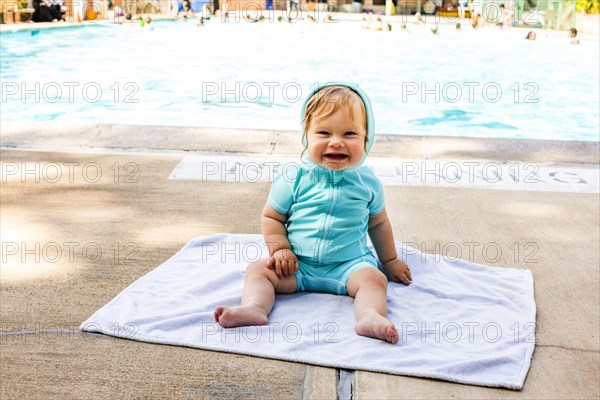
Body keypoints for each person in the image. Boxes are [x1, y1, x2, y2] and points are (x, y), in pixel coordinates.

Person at [213, 83, 412, 344]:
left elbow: (379, 224)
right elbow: (272, 217)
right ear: (307, 136)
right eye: (324, 132)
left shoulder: (368, 182)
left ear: (367, 138)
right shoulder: (293, 178)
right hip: (297, 265)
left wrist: (390, 261)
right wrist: (280, 249)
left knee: (374, 280)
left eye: (350, 133)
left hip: (349, 266)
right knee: (259, 270)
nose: (337, 141)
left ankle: (369, 316)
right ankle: (254, 307)